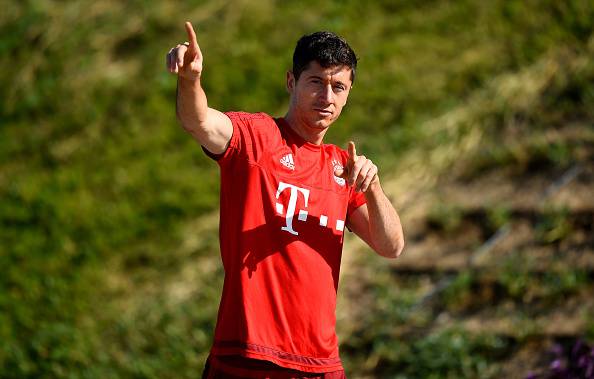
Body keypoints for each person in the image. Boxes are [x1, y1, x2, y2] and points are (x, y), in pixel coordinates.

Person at [166, 22, 404, 379]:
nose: (327, 96)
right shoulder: (257, 137)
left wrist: (374, 188)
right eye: (316, 82)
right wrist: (190, 80)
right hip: (247, 355)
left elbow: (391, 246)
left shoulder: (343, 167)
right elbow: (199, 120)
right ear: (291, 82)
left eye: (338, 87)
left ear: (349, 93)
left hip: (320, 365)